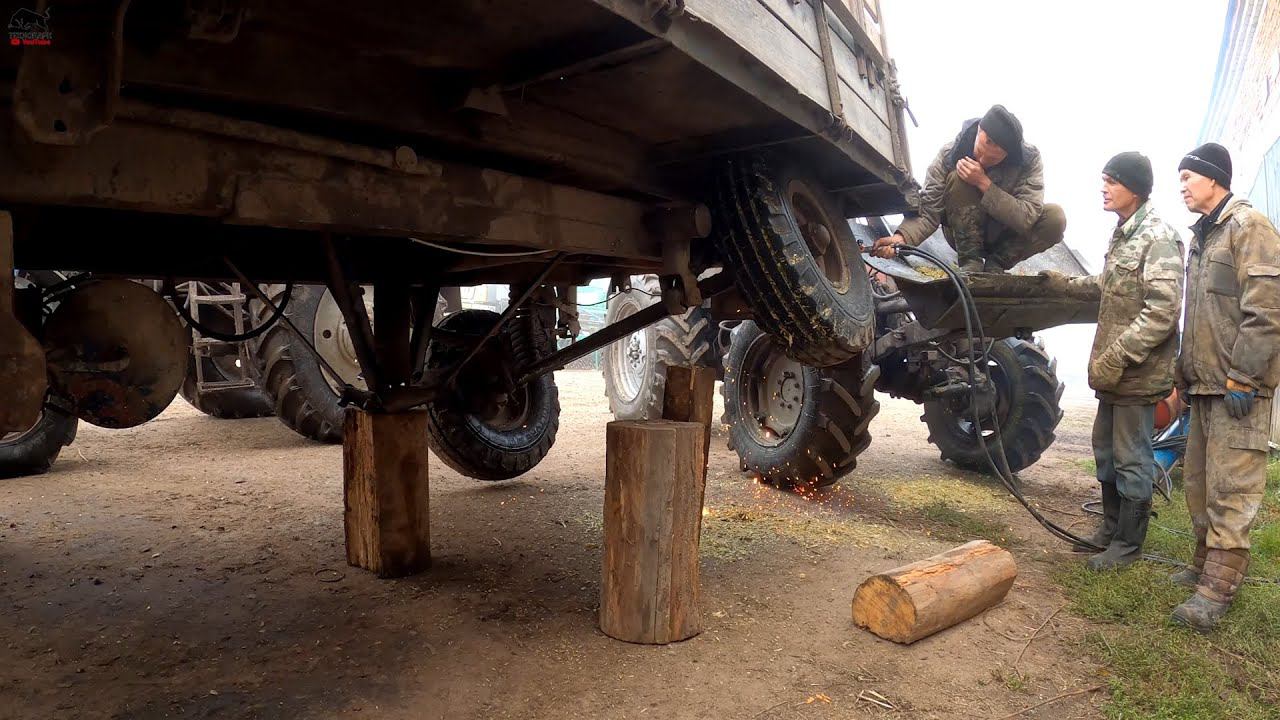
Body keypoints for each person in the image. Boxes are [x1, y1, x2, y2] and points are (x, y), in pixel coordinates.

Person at [1047, 153, 1183, 570]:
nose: (1103, 188)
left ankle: (1128, 544)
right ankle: (1109, 529)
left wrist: (1118, 356)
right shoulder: (1124, 233)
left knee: (1131, 457)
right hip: (1112, 373)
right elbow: (1110, 284)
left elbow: (1163, 311)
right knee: (1105, 452)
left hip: (1136, 373)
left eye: (1112, 181)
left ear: (1134, 189)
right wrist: (1065, 285)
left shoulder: (1158, 237)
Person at [1170, 142, 1280, 632]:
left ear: (1214, 178)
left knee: (1231, 489)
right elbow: (1198, 316)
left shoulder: (1249, 227)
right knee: (1199, 484)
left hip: (1239, 388)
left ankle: (1217, 590)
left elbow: (1267, 310)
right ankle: (1203, 565)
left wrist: (1246, 375)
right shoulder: (1203, 237)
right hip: (1206, 386)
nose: (1182, 186)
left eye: (1188, 177)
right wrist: (1183, 375)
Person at [872, 105, 1067, 273]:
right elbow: (930, 210)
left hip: (1005, 236)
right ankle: (971, 263)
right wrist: (902, 237)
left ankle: (996, 264)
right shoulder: (949, 154)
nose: (982, 161)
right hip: (962, 234)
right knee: (959, 177)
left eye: (993, 159)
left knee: (1055, 217)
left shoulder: (1029, 160)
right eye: (980, 152)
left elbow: (1027, 216)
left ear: (1007, 155)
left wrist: (984, 183)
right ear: (979, 130)